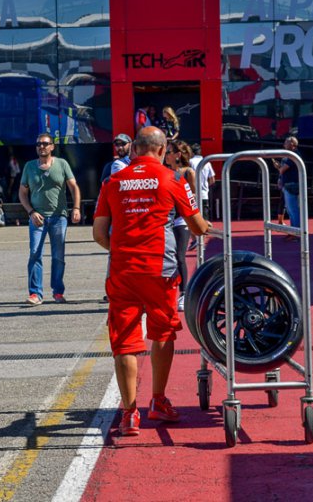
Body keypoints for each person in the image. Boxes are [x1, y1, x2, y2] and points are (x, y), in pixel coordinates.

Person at [92, 127, 209, 437]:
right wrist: (206, 224)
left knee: (125, 339)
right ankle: (158, 400)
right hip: (161, 271)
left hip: (123, 271)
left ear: (134, 150)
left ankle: (130, 414)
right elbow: (197, 227)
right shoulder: (173, 179)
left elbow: (99, 234)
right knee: (162, 331)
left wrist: (121, 251)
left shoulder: (112, 181)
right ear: (161, 150)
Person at [19, 133, 82, 306]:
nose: (42, 147)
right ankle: (35, 294)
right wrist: (31, 212)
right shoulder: (29, 167)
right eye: (39, 144)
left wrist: (76, 208)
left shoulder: (62, 164)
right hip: (37, 217)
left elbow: (74, 187)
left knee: (58, 256)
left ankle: (58, 291)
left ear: (52, 146)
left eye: (45, 144)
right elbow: (22, 193)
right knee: (34, 253)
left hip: (58, 217)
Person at [164, 140, 196, 312]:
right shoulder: (166, 173)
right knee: (168, 257)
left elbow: (192, 197)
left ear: (177, 154)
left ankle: (183, 295)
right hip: (168, 219)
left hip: (181, 219)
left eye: (169, 152)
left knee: (180, 256)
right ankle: (169, 292)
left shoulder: (188, 172)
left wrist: (195, 221)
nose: (166, 155)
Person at [273, 136, 301, 236]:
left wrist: (278, 167)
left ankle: (296, 232)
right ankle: (294, 231)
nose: (284, 144)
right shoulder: (290, 155)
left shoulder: (293, 155)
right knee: (291, 210)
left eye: (286, 142)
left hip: (291, 184)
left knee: (293, 210)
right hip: (289, 184)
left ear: (292, 144)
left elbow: (283, 169)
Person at [189, 143, 216, 221]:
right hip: (204, 193)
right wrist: (205, 186)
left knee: (193, 218)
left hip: (192, 193)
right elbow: (212, 179)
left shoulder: (190, 162)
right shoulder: (207, 162)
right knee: (205, 218)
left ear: (192, 152)